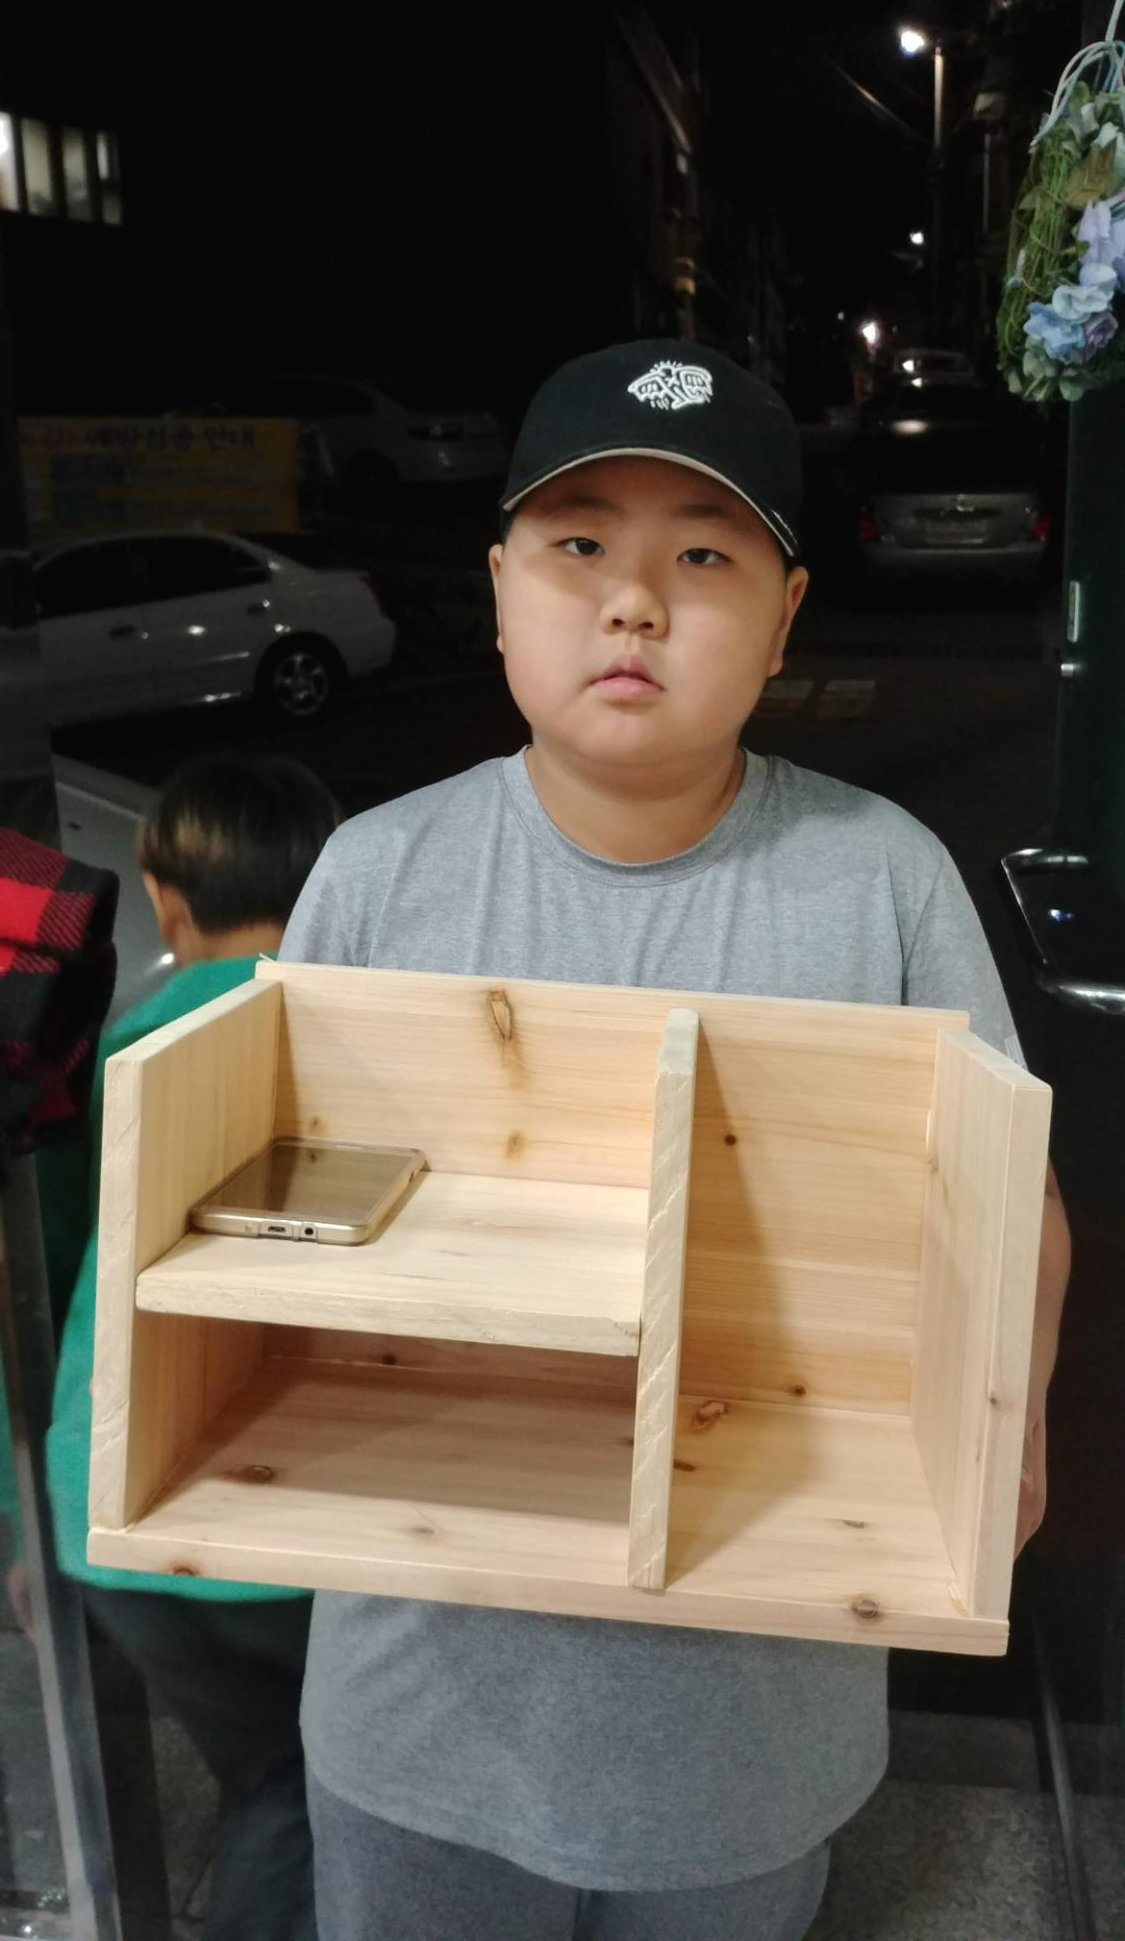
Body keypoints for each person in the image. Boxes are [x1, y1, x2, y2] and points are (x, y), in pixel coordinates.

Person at [278, 339, 1071, 1941]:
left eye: (704, 558)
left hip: (755, 1727)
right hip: (416, 1712)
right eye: (578, 544)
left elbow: (1011, 1208)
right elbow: (268, 1222)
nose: (633, 603)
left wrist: (1014, 1422)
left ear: (784, 618)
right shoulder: (376, 875)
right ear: (498, 589)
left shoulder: (881, 877)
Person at [43, 752, 340, 1941]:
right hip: (291, 1533)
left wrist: (20, 1524)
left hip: (105, 1524)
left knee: (270, 1779)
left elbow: (44, 1280)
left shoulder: (113, 1055)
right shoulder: (355, 1034)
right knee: (312, 1789)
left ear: (166, 900)